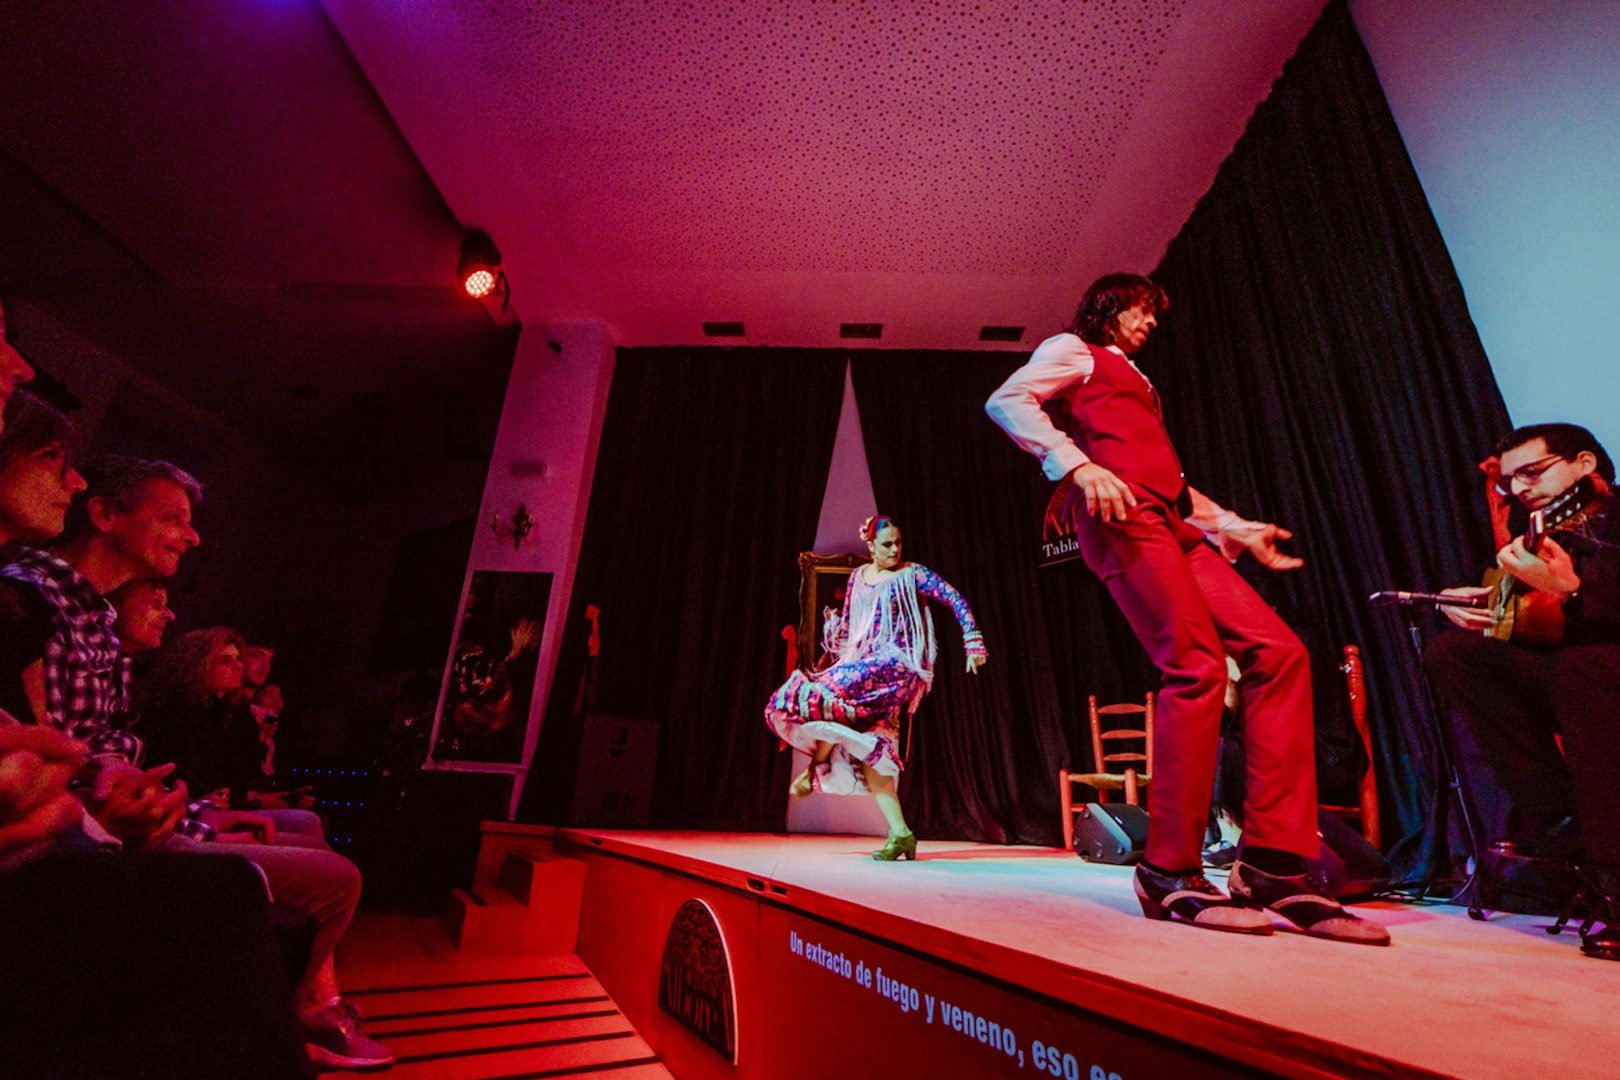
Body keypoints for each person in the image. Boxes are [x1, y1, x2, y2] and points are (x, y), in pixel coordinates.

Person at [986, 273, 1386, 944]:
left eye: (1152, 316)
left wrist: (1230, 523)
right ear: (1106, 309)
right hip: (1120, 517)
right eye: (1138, 311)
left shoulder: (1139, 382)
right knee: (1196, 667)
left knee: (1281, 653)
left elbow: (1167, 484)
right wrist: (1074, 465)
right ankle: (1167, 870)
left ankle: (1273, 867)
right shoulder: (1075, 351)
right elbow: (1007, 399)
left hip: (1169, 521)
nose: (1147, 323)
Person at [1427, 422, 1619, 961]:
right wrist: (1488, 609)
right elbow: (1541, 627)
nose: (1520, 489)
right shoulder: (1546, 533)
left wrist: (1576, 589)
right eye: (1511, 482)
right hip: (1582, 683)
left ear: (1584, 465)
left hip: (1599, 675)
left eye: (1532, 473)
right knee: (1454, 654)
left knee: (1582, 668)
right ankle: (1562, 817)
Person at [765, 515, 988, 861]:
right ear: (870, 546)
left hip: (895, 665)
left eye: (898, 542)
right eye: (887, 544)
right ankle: (901, 834)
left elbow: (955, 599)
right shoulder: (858, 577)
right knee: (874, 755)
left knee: (825, 696)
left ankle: (812, 772)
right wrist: (832, 654)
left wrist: (973, 642)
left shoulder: (912, 573)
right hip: (866, 670)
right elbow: (851, 629)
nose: (895, 549)